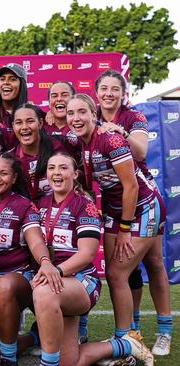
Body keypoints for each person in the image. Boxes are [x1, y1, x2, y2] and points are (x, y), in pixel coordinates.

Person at [32, 152, 153, 366]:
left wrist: (55, 271)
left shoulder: (84, 205)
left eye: (63, 168)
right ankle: (125, 345)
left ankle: (47, 363)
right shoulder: (40, 204)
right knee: (70, 362)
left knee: (43, 291)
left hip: (81, 283)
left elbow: (87, 254)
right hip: (56, 284)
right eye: (51, 168)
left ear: (75, 174)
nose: (56, 173)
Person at [68, 94, 160, 364]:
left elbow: (131, 186)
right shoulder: (81, 142)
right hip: (115, 209)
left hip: (142, 208)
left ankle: (127, 343)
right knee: (114, 273)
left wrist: (124, 229)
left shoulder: (111, 138)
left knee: (118, 273)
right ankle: (127, 339)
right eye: (71, 113)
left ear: (93, 114)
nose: (76, 118)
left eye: (82, 112)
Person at [95, 70, 172, 356]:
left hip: (143, 199)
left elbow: (140, 152)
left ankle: (164, 332)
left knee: (152, 264)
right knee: (124, 272)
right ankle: (133, 331)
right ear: (97, 93)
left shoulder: (133, 117)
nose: (109, 93)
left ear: (124, 94)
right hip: (115, 206)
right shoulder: (92, 119)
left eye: (115, 89)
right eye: (104, 88)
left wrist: (121, 132)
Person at [0, 152, 57, 365]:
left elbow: (36, 241)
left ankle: (9, 359)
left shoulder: (25, 205)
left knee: (4, 286)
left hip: (15, 279)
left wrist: (45, 262)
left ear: (14, 178)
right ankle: (34, 336)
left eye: (4, 173)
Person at [44, 81, 78, 146]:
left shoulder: (84, 125)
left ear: (74, 100)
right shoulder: (40, 125)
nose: (59, 99)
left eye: (64, 95)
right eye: (54, 96)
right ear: (49, 103)